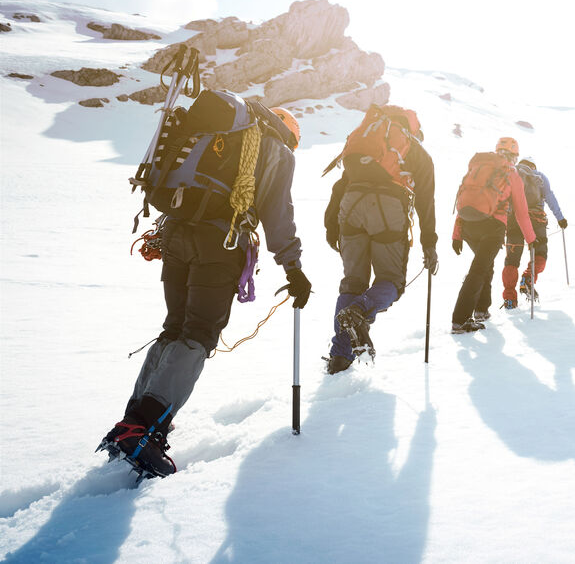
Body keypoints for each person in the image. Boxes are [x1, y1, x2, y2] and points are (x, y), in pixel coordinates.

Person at [99, 100, 311, 477]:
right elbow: (277, 213)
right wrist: (293, 268)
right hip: (220, 243)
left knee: (175, 327)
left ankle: (132, 422)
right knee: (197, 334)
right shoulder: (275, 148)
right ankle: (145, 428)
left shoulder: (223, 135)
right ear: (290, 136)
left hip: (179, 233)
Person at [323, 105, 437, 374]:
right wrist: (429, 243)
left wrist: (332, 225)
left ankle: (340, 356)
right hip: (388, 209)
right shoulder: (416, 151)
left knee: (353, 281)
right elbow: (426, 201)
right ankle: (360, 311)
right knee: (391, 281)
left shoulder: (366, 145)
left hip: (351, 207)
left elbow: (340, 186)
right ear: (412, 128)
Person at [451, 137, 536, 332]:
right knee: (479, 270)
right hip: (493, 227)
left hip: (468, 224)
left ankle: (481, 310)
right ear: (514, 156)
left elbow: (467, 199)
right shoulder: (511, 173)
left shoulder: (479, 168)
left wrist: (457, 234)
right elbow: (521, 213)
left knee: (485, 267)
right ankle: (460, 319)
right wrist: (531, 240)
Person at [501, 157, 566, 308]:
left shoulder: (511, 175)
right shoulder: (539, 176)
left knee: (511, 260)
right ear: (533, 166)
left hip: (513, 220)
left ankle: (509, 299)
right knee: (540, 253)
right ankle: (528, 278)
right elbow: (550, 197)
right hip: (536, 220)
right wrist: (560, 218)